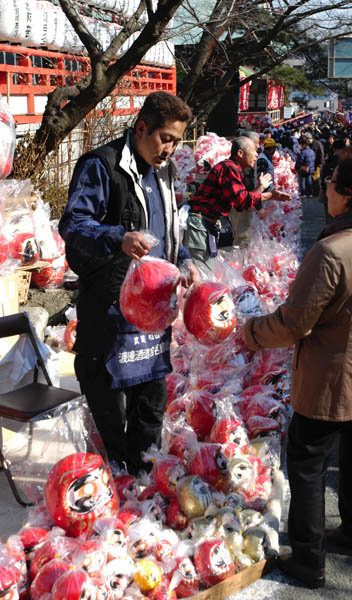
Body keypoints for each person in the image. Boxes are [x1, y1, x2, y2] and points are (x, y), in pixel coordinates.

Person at [242, 146, 352, 589]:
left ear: (346, 194)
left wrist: (249, 332)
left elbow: (294, 322)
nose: (324, 189)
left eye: (330, 184)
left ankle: (309, 558)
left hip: (332, 376)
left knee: (308, 462)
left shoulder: (332, 250)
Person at [58, 91, 197, 475]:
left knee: (151, 399)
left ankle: (144, 476)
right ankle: (113, 478)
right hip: (109, 308)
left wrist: (182, 259)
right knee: (108, 402)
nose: (169, 149)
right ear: (141, 129)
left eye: (176, 141)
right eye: (165, 138)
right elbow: (73, 224)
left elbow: (165, 230)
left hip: (152, 313)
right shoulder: (102, 166)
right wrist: (118, 236)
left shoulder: (162, 172)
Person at [184, 136, 287, 275]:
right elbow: (241, 200)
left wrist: (261, 187)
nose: (257, 154)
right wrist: (270, 195)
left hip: (207, 225)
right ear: (240, 153)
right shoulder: (228, 168)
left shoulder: (234, 169)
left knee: (207, 273)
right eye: (254, 150)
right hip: (200, 224)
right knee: (203, 276)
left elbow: (241, 204)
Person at [230, 131, 260, 249]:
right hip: (242, 205)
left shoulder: (242, 163)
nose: (258, 147)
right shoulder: (240, 167)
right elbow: (245, 191)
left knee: (240, 234)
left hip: (244, 203)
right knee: (242, 236)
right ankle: (239, 262)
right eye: (256, 144)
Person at [303, 131, 324, 196]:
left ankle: (317, 192)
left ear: (310, 138)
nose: (306, 141)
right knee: (311, 179)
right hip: (310, 165)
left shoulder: (317, 143)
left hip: (317, 164)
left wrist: (320, 163)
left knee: (316, 179)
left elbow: (321, 153)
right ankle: (314, 192)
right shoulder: (308, 145)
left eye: (307, 139)